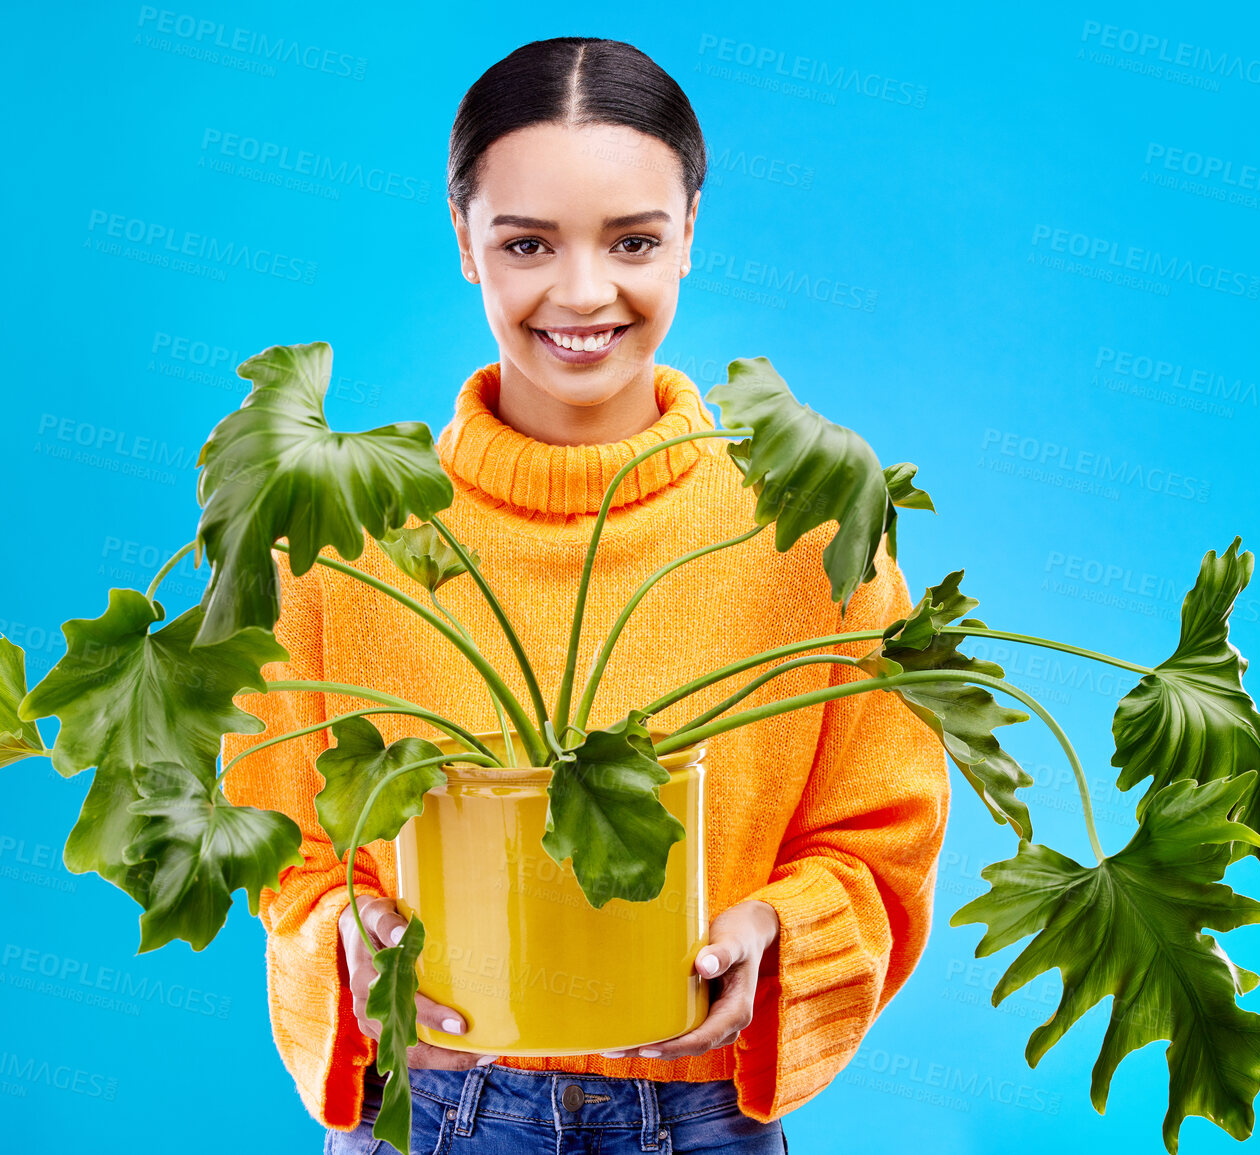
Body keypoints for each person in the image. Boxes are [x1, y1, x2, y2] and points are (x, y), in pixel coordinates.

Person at [219, 36, 950, 1155]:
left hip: (705, 1113)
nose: (582, 293)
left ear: (691, 236)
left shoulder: (810, 520)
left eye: (633, 241)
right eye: (526, 242)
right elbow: (278, 844)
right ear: (464, 242)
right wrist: (344, 935)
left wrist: (780, 930)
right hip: (433, 1107)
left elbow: (879, 832)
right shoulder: (343, 530)